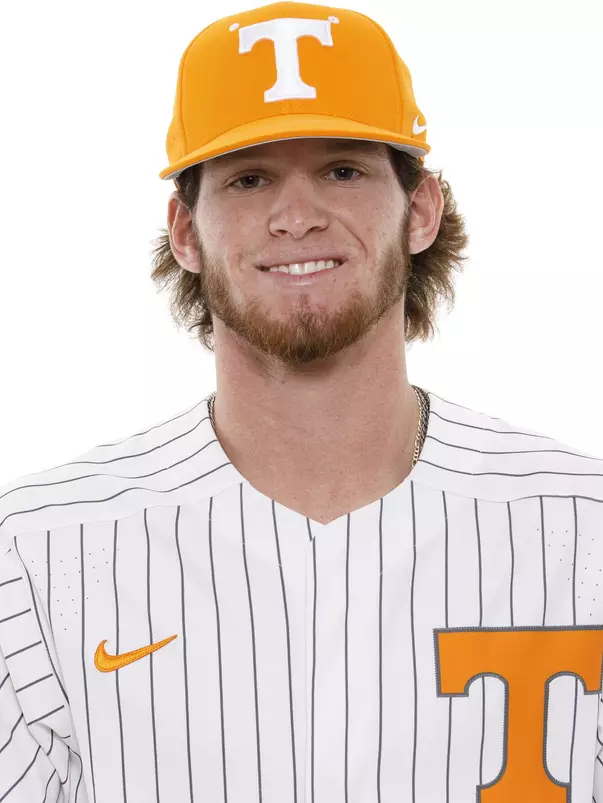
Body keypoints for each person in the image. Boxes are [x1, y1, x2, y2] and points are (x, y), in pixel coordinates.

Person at [1, 2, 602, 801]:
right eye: (249, 178)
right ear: (185, 231)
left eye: (342, 169)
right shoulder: (41, 552)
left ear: (420, 208)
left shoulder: (582, 527)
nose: (295, 217)